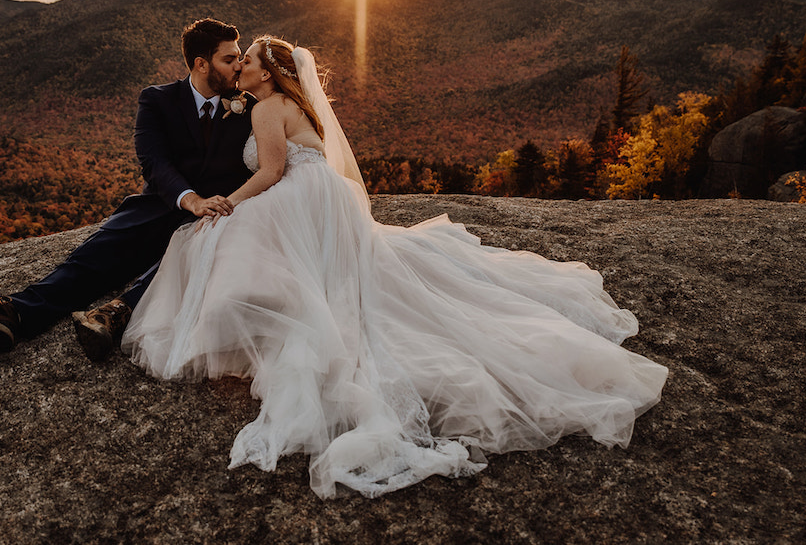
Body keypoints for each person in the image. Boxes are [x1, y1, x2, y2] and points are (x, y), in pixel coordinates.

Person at [122, 36, 668, 499]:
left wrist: (226, 204)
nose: (239, 66)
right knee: (252, 249)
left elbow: (268, 173)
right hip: (325, 199)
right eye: (233, 59)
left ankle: (237, 311)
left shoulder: (266, 107)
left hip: (297, 197)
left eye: (247, 60)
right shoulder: (288, 104)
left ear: (268, 73)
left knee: (212, 237)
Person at [0, 18, 254, 354]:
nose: (238, 66)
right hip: (162, 205)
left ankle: (111, 318)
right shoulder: (157, 100)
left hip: (213, 217)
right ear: (202, 64)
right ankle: (11, 315)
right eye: (229, 59)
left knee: (183, 259)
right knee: (95, 255)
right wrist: (190, 200)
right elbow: (154, 163)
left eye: (239, 58)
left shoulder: (251, 107)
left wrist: (207, 207)